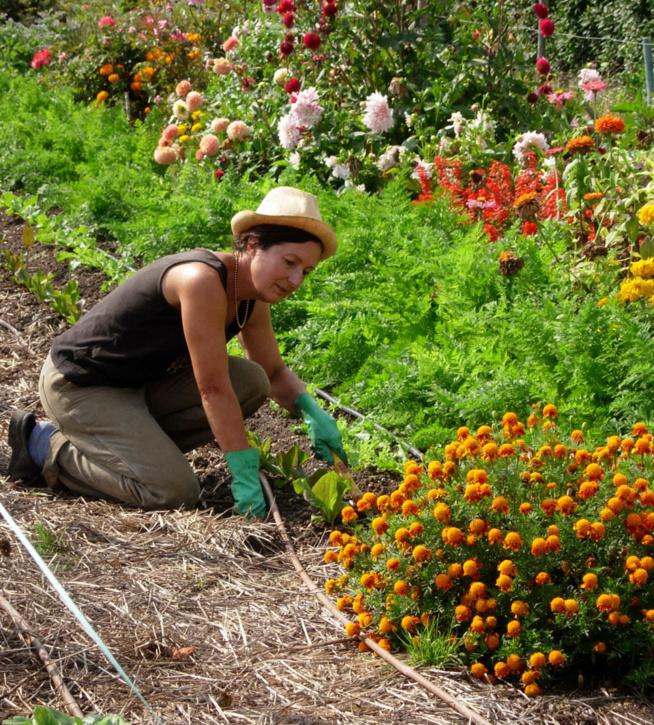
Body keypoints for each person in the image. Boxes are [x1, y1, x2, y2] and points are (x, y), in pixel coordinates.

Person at [7, 187, 348, 517]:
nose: (295, 280)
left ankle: (132, 452)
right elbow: (212, 389)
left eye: (305, 271)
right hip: (82, 385)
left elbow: (273, 374)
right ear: (253, 244)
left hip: (138, 386)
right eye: (289, 262)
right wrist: (243, 473)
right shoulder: (200, 280)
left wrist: (310, 410)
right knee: (173, 492)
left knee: (252, 381)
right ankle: (43, 445)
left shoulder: (250, 298)